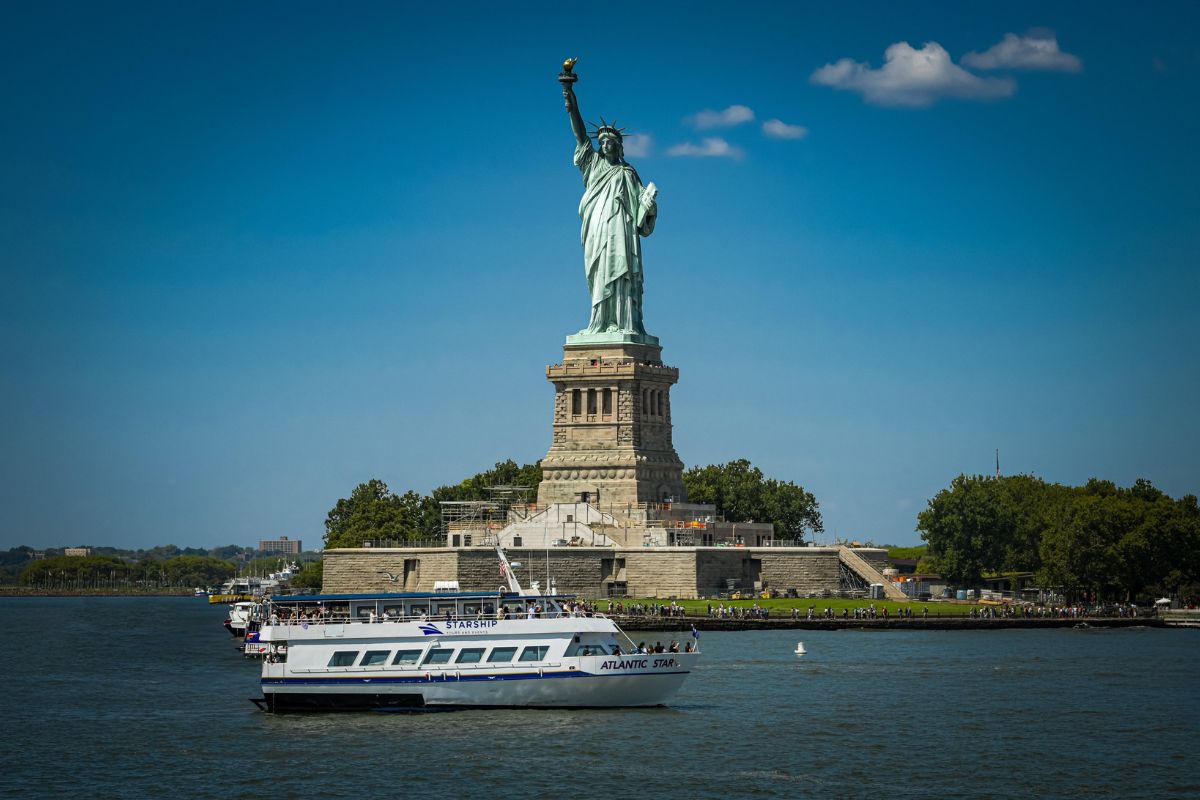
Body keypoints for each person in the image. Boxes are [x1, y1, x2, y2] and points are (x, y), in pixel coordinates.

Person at [562, 79, 657, 337]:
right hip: (597, 230)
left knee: (622, 273)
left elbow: (641, 215)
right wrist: (571, 101)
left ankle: (625, 323)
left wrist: (648, 205)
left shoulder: (628, 173)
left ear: (618, 146)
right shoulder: (593, 166)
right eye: (602, 142)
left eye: (610, 142)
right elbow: (580, 134)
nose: (605, 145)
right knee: (600, 273)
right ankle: (600, 323)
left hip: (622, 233)